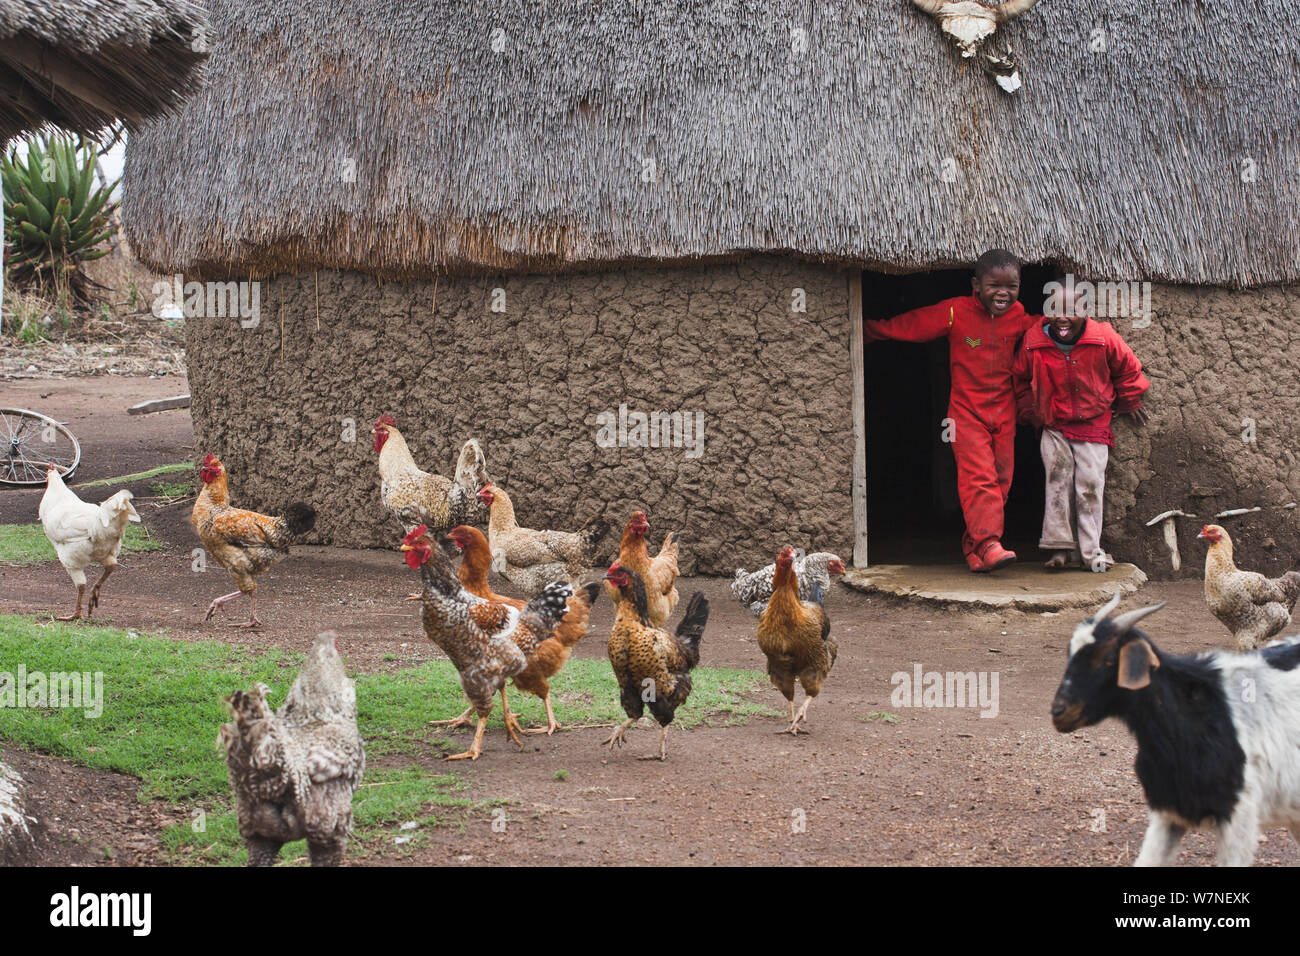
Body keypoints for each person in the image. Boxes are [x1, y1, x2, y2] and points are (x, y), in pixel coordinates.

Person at [865, 249, 1037, 572]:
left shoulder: (1018, 316)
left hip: (1004, 413)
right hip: (966, 414)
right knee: (979, 479)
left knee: (1001, 481)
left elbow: (1040, 329)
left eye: (1011, 286)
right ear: (976, 284)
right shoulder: (956, 311)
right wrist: (873, 331)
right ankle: (988, 544)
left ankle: (974, 550)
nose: (1003, 293)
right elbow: (914, 324)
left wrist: (1077, 322)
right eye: (993, 285)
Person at [1012, 290, 1149, 571]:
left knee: (1089, 486)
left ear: (1085, 310)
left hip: (1092, 423)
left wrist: (1131, 397)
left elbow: (1127, 368)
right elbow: (1020, 378)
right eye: (1054, 309)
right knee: (1057, 483)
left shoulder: (1102, 337)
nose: (1062, 317)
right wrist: (1031, 412)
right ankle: (1059, 549)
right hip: (1053, 424)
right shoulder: (1034, 342)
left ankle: (1091, 553)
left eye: (1070, 310)